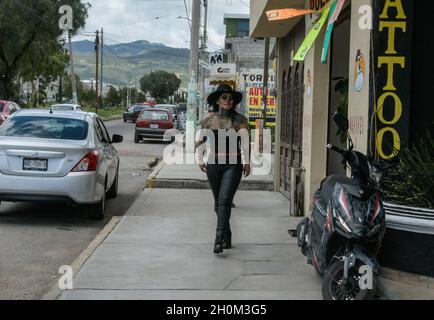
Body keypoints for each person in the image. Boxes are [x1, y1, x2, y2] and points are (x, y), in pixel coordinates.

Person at [196, 84, 251, 254]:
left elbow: (246, 144)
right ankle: (227, 235)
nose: (228, 101)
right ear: (218, 101)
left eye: (231, 98)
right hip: (213, 164)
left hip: (233, 164)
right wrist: (199, 159)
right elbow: (201, 141)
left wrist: (247, 162)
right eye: (224, 98)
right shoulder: (208, 120)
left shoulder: (240, 120)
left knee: (225, 200)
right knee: (218, 204)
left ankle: (218, 239)